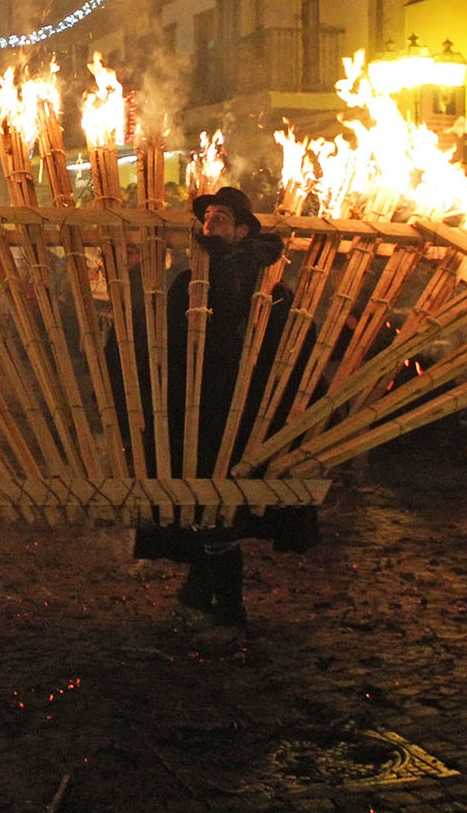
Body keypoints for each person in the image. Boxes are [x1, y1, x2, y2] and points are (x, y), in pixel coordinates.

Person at [132, 186, 313, 637]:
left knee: (226, 505)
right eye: (207, 216)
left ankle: (228, 610)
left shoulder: (268, 289)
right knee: (204, 504)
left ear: (244, 230)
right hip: (194, 409)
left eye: (222, 217)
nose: (210, 223)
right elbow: (159, 342)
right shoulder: (187, 282)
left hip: (250, 413)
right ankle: (200, 597)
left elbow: (290, 352)